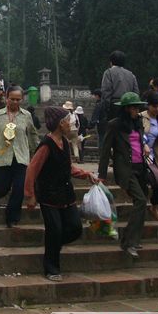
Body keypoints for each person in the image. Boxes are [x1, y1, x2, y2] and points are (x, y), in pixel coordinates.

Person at [25, 106, 97, 280]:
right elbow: (32, 170)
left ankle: (52, 247)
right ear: (59, 124)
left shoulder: (64, 142)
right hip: (49, 195)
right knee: (54, 230)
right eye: (66, 121)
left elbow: (68, 166)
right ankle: (51, 268)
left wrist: (86, 174)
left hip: (66, 194)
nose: (69, 124)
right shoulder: (46, 145)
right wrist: (30, 195)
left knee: (75, 228)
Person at [0, 85, 39, 228]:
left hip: (21, 158)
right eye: (12, 99)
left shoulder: (26, 116)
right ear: (6, 98)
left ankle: (12, 218)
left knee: (19, 189)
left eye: (18, 99)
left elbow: (33, 135)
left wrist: (38, 151)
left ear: (22, 100)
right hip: (2, 158)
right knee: (0, 188)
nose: (15, 102)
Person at [98, 92, 150, 257]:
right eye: (134, 107)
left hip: (140, 167)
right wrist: (102, 175)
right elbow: (105, 151)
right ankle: (128, 241)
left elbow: (140, 141)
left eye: (138, 107)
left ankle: (134, 239)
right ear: (126, 109)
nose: (137, 110)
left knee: (142, 201)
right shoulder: (115, 125)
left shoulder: (138, 123)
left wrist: (144, 148)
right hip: (125, 169)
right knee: (140, 200)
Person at [140, 90, 158, 221]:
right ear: (148, 105)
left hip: (155, 156)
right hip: (140, 155)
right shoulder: (141, 117)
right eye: (154, 106)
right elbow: (135, 135)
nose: (157, 109)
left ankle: (154, 207)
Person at [100, 50, 139, 123]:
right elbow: (136, 92)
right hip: (129, 105)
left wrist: (106, 109)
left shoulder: (108, 72)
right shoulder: (131, 74)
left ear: (111, 62)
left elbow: (106, 92)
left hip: (114, 106)